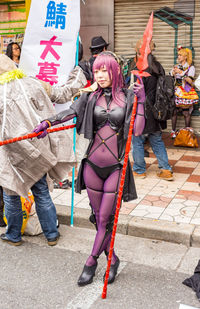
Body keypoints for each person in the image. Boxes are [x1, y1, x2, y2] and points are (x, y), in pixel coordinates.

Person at [33, 51, 138, 286]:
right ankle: (112, 259)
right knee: (98, 219)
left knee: (103, 218)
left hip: (116, 167)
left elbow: (138, 129)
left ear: (115, 71)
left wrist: (140, 103)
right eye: (97, 71)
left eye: (104, 70)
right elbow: (69, 113)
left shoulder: (130, 96)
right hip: (91, 165)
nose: (100, 75)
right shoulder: (90, 98)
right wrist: (47, 123)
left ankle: (91, 262)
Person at [0, 54, 87, 246]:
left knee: (12, 194)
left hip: (11, 155)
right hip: (36, 150)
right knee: (41, 192)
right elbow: (61, 93)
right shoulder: (32, 83)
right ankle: (51, 234)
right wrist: (79, 72)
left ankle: (14, 236)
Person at [129, 39, 173, 181]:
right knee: (156, 139)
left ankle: (140, 169)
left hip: (140, 110)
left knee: (137, 140)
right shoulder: (158, 66)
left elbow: (131, 90)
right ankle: (166, 169)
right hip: (156, 110)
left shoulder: (137, 68)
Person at [170, 47, 199, 138]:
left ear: (185, 57)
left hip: (185, 92)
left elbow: (190, 81)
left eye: (180, 55)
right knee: (173, 112)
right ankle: (173, 132)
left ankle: (187, 132)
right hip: (176, 91)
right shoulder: (177, 66)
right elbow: (171, 77)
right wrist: (173, 73)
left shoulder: (191, 67)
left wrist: (182, 73)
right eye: (178, 55)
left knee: (186, 113)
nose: (178, 57)